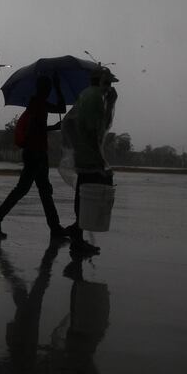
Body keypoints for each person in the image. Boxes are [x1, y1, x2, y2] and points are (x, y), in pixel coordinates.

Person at [0, 74, 67, 239]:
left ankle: (55, 228)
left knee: (41, 191)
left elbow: (57, 111)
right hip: (36, 154)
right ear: (45, 89)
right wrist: (58, 86)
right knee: (30, 190)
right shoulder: (39, 104)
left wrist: (52, 127)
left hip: (35, 153)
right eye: (49, 88)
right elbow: (58, 111)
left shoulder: (36, 103)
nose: (49, 90)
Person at [64, 67, 118, 254]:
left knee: (83, 193)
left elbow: (70, 123)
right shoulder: (95, 98)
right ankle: (77, 235)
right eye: (109, 84)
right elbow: (96, 132)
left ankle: (76, 230)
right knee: (93, 194)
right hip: (90, 156)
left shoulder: (86, 94)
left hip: (83, 154)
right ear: (105, 83)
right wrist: (101, 162)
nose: (110, 88)